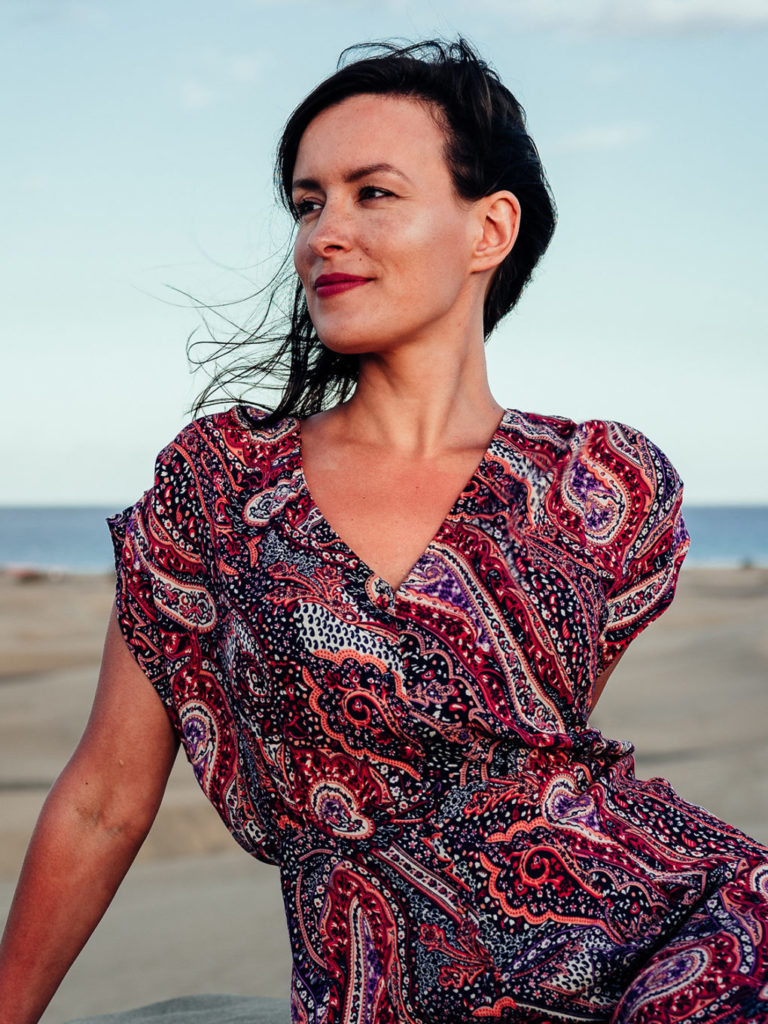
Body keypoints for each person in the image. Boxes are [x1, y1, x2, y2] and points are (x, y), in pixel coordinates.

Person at [1, 37, 767, 1024]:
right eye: (309, 201)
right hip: (396, 992)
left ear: (488, 228)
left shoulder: (597, 483)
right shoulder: (219, 485)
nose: (325, 231)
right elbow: (105, 797)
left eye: (374, 192)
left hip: (689, 938)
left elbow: (528, 771)